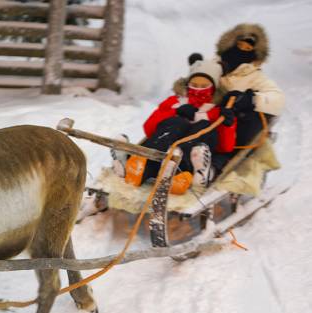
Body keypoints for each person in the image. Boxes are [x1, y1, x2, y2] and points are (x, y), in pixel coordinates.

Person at [112, 54, 235, 194]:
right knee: (175, 123)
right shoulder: (175, 101)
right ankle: (134, 167)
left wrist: (227, 125)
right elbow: (149, 129)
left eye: (204, 86)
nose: (198, 90)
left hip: (186, 160)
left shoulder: (218, 111)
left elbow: (225, 147)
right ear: (187, 85)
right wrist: (175, 112)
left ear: (213, 88)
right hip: (159, 154)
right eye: (194, 85)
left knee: (204, 127)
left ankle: (177, 175)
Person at [212, 23, 285, 171]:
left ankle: (221, 164)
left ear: (254, 54)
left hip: (232, 122)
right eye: (239, 45)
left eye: (247, 49)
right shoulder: (213, 67)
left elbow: (277, 99)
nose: (241, 51)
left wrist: (250, 99)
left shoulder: (255, 76)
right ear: (230, 44)